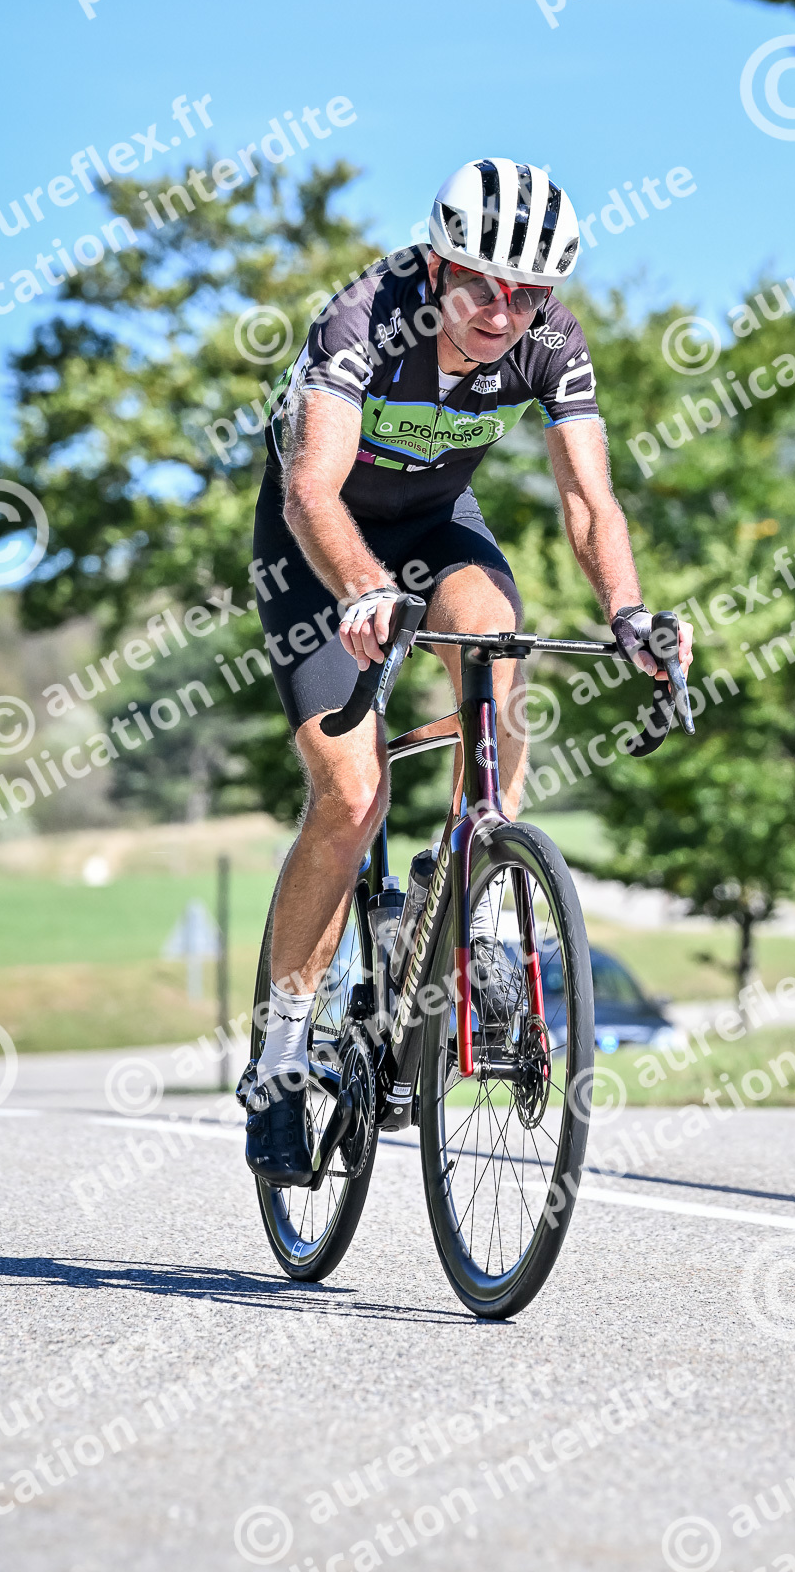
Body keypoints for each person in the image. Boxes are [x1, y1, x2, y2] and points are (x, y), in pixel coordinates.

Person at [243, 157, 693, 1183]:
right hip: (320, 544)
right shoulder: (363, 318)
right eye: (483, 286)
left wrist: (628, 615)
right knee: (351, 798)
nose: (503, 311)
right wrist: (361, 588)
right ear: (439, 263)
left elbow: (589, 503)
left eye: (528, 293)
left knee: (496, 643)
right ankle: (278, 1061)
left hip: (440, 525)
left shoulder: (550, 341)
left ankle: (471, 900)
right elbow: (310, 490)